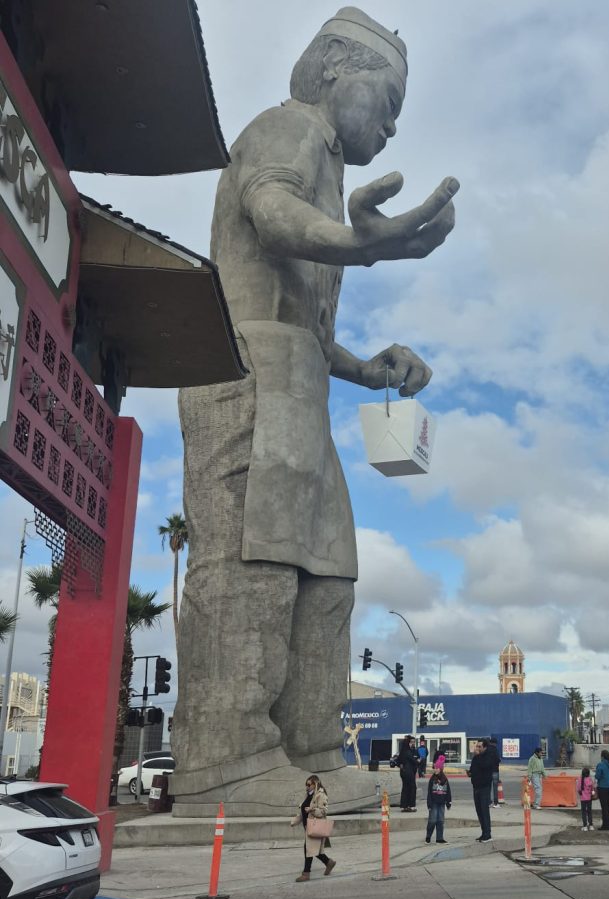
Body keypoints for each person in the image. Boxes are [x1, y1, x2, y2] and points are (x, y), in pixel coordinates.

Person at [172, 7, 459, 813]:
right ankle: (225, 756)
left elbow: (307, 316)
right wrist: (358, 243)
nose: (394, 124)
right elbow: (271, 210)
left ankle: (308, 747)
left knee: (328, 570)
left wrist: (366, 367)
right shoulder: (287, 128)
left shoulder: (328, 167)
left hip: (300, 376)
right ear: (335, 68)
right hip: (246, 367)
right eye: (389, 98)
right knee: (254, 558)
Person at [290, 775, 336, 881]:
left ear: (315, 784)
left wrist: (312, 810)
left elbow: (323, 811)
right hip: (308, 827)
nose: (306, 787)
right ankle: (329, 862)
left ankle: (306, 874)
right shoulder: (309, 795)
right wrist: (295, 821)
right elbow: (303, 811)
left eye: (309, 784)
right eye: (306, 784)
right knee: (315, 851)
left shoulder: (320, 795)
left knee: (308, 849)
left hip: (315, 827)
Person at [469, 739, 498, 842]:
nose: (477, 748)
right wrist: (470, 773)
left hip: (484, 787)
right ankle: (483, 832)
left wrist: (477, 756)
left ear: (485, 747)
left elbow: (484, 766)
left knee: (484, 811)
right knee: (479, 811)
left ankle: (488, 834)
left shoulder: (488, 756)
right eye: (477, 746)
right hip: (476, 787)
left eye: (479, 747)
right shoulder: (476, 757)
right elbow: (473, 768)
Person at [425, 762, 451, 843]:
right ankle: (428, 836)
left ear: (441, 769)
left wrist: (448, 802)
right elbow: (429, 792)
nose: (435, 769)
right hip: (433, 803)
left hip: (442, 803)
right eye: (435, 768)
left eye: (437, 768)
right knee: (432, 820)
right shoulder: (432, 779)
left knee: (440, 821)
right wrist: (429, 804)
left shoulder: (445, 779)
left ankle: (439, 838)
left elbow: (448, 791)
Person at [595, 749, 609, 830]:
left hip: (602, 788)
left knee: (604, 807)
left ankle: (605, 825)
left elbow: (597, 776)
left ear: (602, 757)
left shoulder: (600, 765)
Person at [397, 735, 419, 812]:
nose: (411, 744)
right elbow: (413, 761)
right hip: (409, 773)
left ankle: (404, 805)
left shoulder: (402, 751)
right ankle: (411, 805)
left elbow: (398, 761)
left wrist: (401, 765)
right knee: (412, 788)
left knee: (405, 788)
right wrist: (418, 761)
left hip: (403, 772)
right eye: (410, 742)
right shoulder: (408, 751)